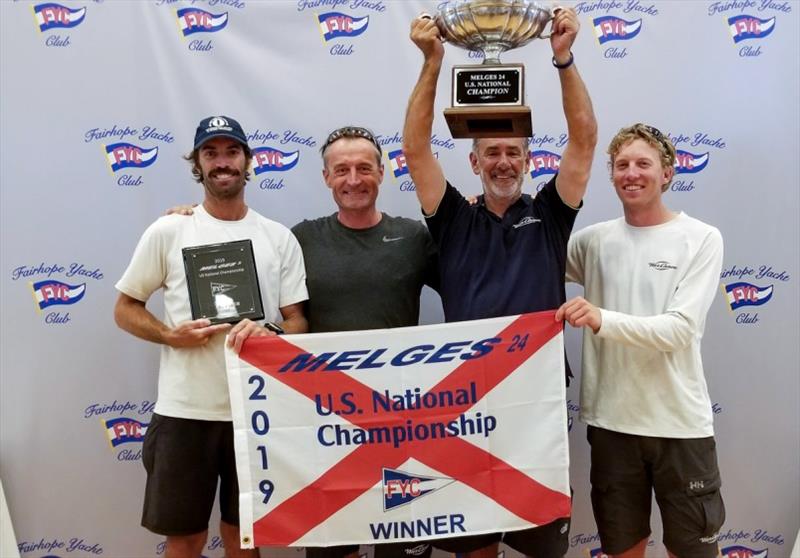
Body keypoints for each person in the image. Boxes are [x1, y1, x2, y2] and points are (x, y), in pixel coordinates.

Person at [402, 7, 596, 558]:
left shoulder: (553, 214)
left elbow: (583, 142)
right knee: (474, 545)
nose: (503, 161)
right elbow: (415, 150)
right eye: (492, 152)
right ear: (474, 160)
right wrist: (432, 63)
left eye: (514, 151)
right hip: (464, 400)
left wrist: (563, 59)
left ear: (529, 159)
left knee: (541, 546)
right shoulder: (452, 218)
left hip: (534, 402)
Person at [114, 115, 309, 558]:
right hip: (185, 412)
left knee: (243, 535)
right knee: (185, 539)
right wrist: (169, 334)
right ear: (198, 166)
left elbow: (297, 320)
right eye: (211, 153)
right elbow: (124, 308)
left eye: (231, 152)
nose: (223, 162)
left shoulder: (278, 237)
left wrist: (269, 330)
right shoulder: (170, 230)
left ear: (248, 161)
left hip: (255, 411)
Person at [556, 123, 725, 558]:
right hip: (611, 426)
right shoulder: (592, 241)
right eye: (622, 165)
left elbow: (679, 330)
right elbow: (529, 260)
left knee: (693, 551)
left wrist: (600, 318)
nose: (632, 173)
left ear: (667, 173)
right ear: (611, 174)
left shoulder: (702, 238)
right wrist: (489, 215)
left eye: (643, 164)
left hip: (679, 427)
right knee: (622, 549)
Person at [293, 125, 438, 558]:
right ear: (326, 178)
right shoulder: (300, 239)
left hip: (402, 421)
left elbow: (473, 280)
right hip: (328, 423)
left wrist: (480, 220)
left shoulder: (414, 236)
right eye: (341, 170)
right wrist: (195, 219)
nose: (353, 179)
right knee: (335, 547)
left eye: (363, 168)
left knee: (401, 545)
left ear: (383, 171)